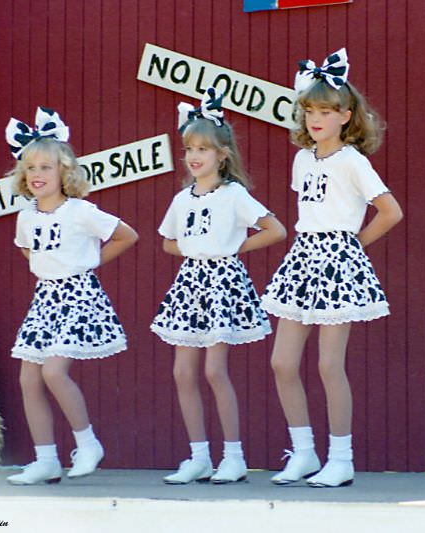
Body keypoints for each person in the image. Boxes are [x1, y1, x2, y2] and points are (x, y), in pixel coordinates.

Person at [262, 48, 403, 488]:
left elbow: (390, 211)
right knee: (282, 362)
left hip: (338, 262)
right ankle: (304, 453)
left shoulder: (353, 162)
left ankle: (341, 458)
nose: (316, 119)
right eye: (309, 111)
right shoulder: (303, 159)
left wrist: (352, 246)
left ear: (345, 116)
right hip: (302, 258)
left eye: (326, 111)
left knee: (328, 364)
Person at [151, 88, 286, 484]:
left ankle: (233, 456)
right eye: (189, 148)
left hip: (223, 285)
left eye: (204, 150)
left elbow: (275, 230)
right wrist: (199, 249)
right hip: (191, 285)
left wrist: (231, 248)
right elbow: (167, 241)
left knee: (214, 370)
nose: (194, 157)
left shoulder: (233, 195)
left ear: (222, 155)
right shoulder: (182, 199)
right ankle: (198, 457)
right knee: (182, 373)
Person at [5, 107, 138, 485]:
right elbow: (26, 249)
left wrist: (87, 262)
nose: (37, 176)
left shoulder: (80, 211)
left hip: (78, 297)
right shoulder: (26, 216)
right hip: (44, 299)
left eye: (46, 168)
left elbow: (127, 235)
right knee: (29, 378)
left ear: (64, 171)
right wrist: (48, 265)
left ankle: (87, 443)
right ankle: (45, 458)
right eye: (30, 168)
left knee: (53, 371)